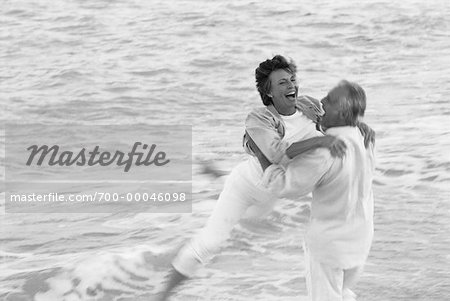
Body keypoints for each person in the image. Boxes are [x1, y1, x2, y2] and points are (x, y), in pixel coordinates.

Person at [156, 56, 374, 300]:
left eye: (292, 79)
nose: (291, 85)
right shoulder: (258, 118)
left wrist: (358, 125)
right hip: (249, 187)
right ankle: (160, 296)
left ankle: (218, 174)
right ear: (268, 91)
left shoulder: (309, 105)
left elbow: (334, 121)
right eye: (281, 83)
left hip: (272, 190)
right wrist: (321, 141)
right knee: (209, 244)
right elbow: (276, 153)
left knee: (253, 215)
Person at [250, 80, 375, 301]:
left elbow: (283, 186)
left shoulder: (326, 151)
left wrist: (261, 155)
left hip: (330, 246)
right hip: (359, 241)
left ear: (344, 112)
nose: (322, 101)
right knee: (343, 293)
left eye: (330, 99)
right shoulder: (363, 138)